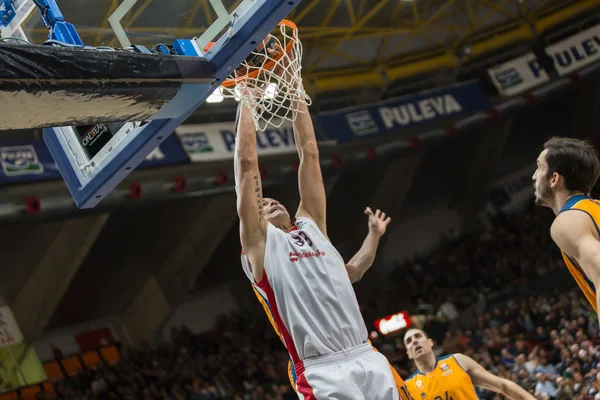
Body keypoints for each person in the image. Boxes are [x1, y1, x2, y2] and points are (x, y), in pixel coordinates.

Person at [234, 72, 407, 398]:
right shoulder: (260, 245)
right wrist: (247, 97)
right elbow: (246, 163)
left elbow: (310, 151)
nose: (270, 202)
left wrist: (293, 83)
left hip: (366, 353)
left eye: (275, 199)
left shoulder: (312, 224)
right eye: (263, 203)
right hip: (321, 369)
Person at [532, 137, 600, 313]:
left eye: (539, 167)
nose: (533, 176)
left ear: (554, 179)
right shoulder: (594, 209)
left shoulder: (567, 220)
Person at [403, 328, 536, 400]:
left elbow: (502, 385)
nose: (414, 341)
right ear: (408, 353)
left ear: (430, 342)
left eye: (418, 336)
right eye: (409, 341)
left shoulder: (457, 361)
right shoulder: (407, 388)